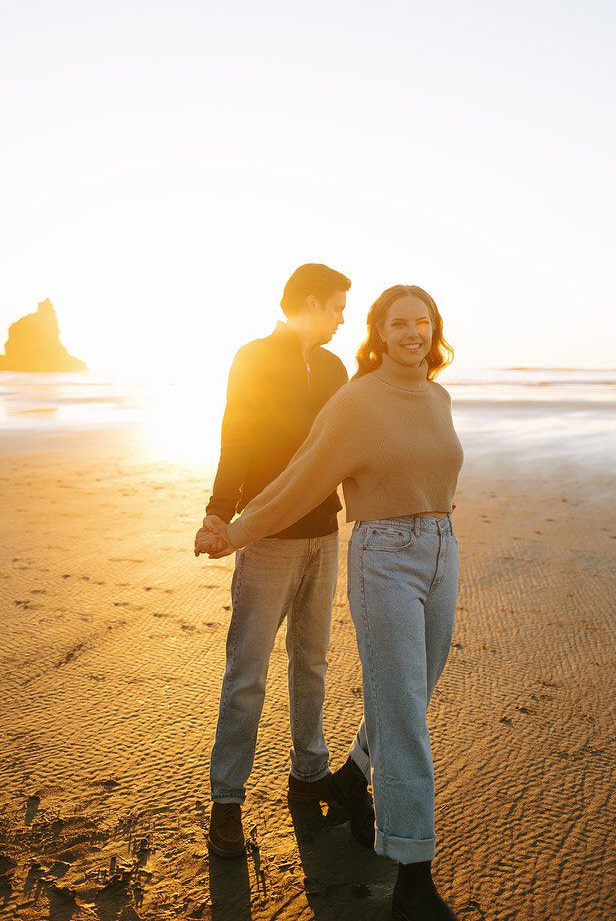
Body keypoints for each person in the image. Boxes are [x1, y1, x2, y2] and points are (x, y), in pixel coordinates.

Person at [196, 284, 465, 921]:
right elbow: (299, 474)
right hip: (383, 554)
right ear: (380, 331)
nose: (413, 333)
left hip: (440, 548)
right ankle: (412, 873)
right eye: (399, 322)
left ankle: (346, 780)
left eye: (423, 323)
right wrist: (232, 524)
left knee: (414, 690)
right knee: (399, 713)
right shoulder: (354, 401)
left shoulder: (439, 395)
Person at [202, 263, 374, 859]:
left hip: (323, 535)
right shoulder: (253, 357)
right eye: (335, 307)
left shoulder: (332, 368)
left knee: (313, 661)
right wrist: (220, 512)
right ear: (308, 302)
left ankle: (309, 773)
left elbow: (349, 447)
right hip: (269, 536)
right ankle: (227, 800)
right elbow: (237, 434)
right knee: (246, 668)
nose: (342, 318)